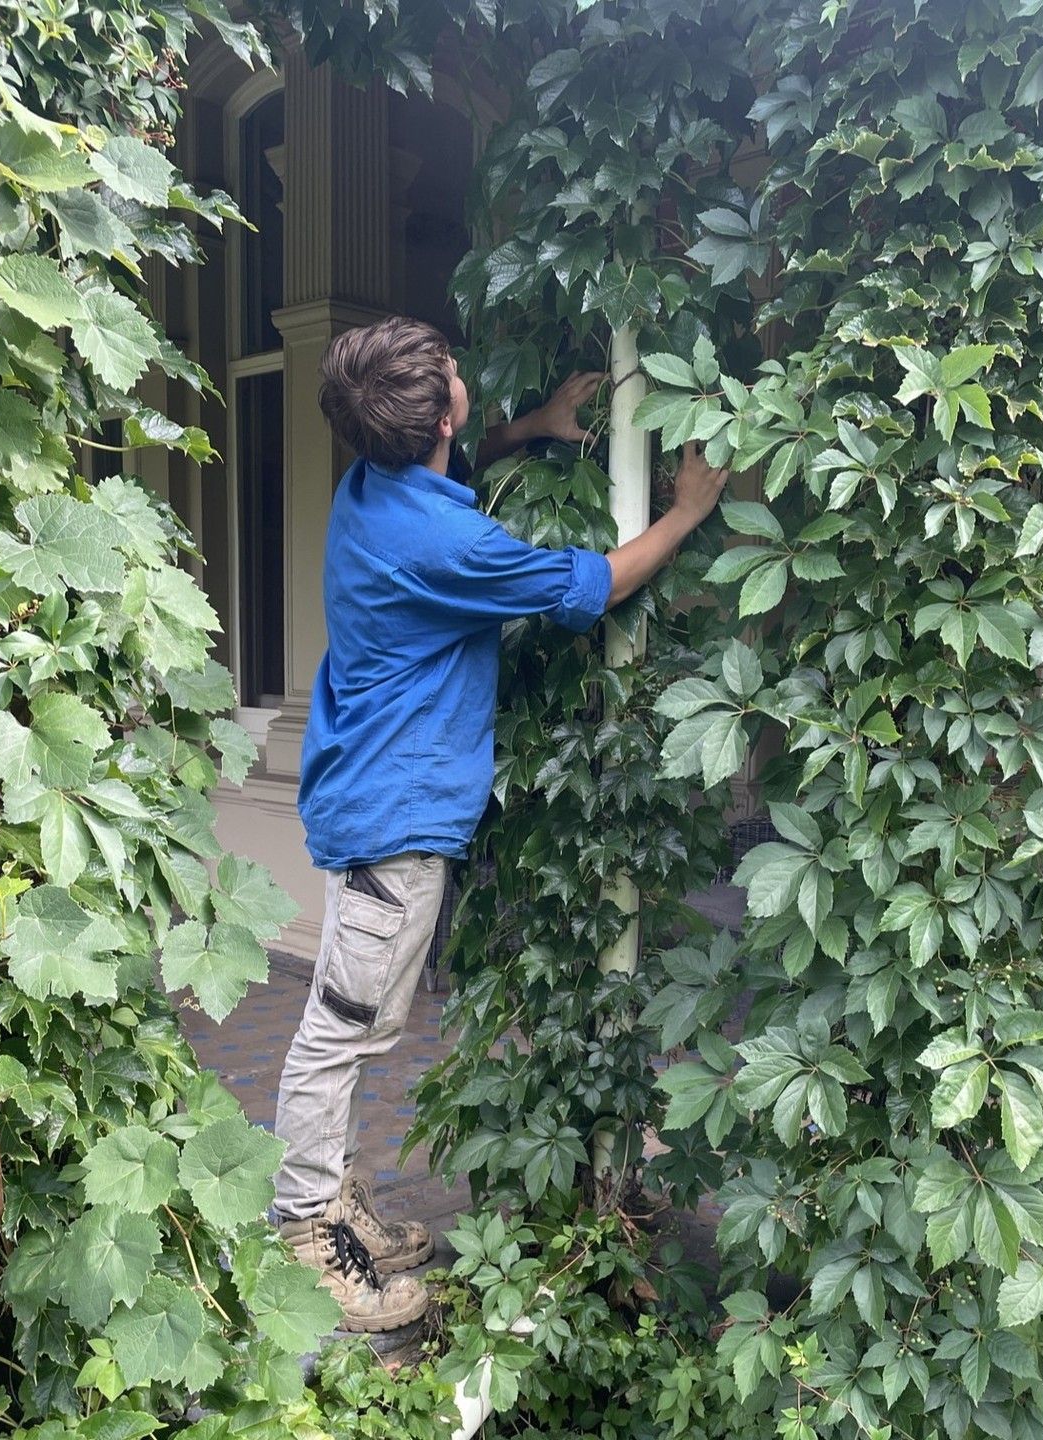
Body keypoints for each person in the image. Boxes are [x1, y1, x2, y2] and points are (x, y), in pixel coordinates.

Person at [273, 316, 728, 1332]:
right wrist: (689, 512)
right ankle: (308, 1232)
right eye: (453, 379)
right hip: (396, 818)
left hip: (371, 796)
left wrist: (526, 428)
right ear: (443, 411)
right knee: (340, 1034)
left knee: (365, 1020)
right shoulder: (446, 541)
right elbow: (592, 585)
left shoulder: (373, 489)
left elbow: (443, 475)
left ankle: (335, 1203)